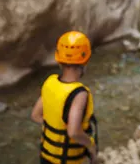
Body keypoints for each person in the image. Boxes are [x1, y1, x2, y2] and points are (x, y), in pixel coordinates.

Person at [32, 31, 98, 164]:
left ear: (59, 60)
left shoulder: (50, 82)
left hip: (46, 157)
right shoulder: (79, 94)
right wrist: (91, 145)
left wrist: (56, 131)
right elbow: (73, 132)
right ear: (85, 61)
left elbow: (35, 115)